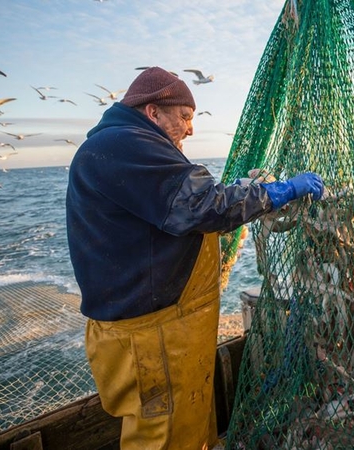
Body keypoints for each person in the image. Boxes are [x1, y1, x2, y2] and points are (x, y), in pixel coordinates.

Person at [65, 66, 324, 449]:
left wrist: (240, 190)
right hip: (152, 338)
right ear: (153, 112)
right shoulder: (125, 145)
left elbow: (174, 212)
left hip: (163, 330)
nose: (190, 129)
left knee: (188, 429)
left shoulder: (120, 144)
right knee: (164, 439)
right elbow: (201, 207)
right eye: (184, 117)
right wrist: (278, 192)